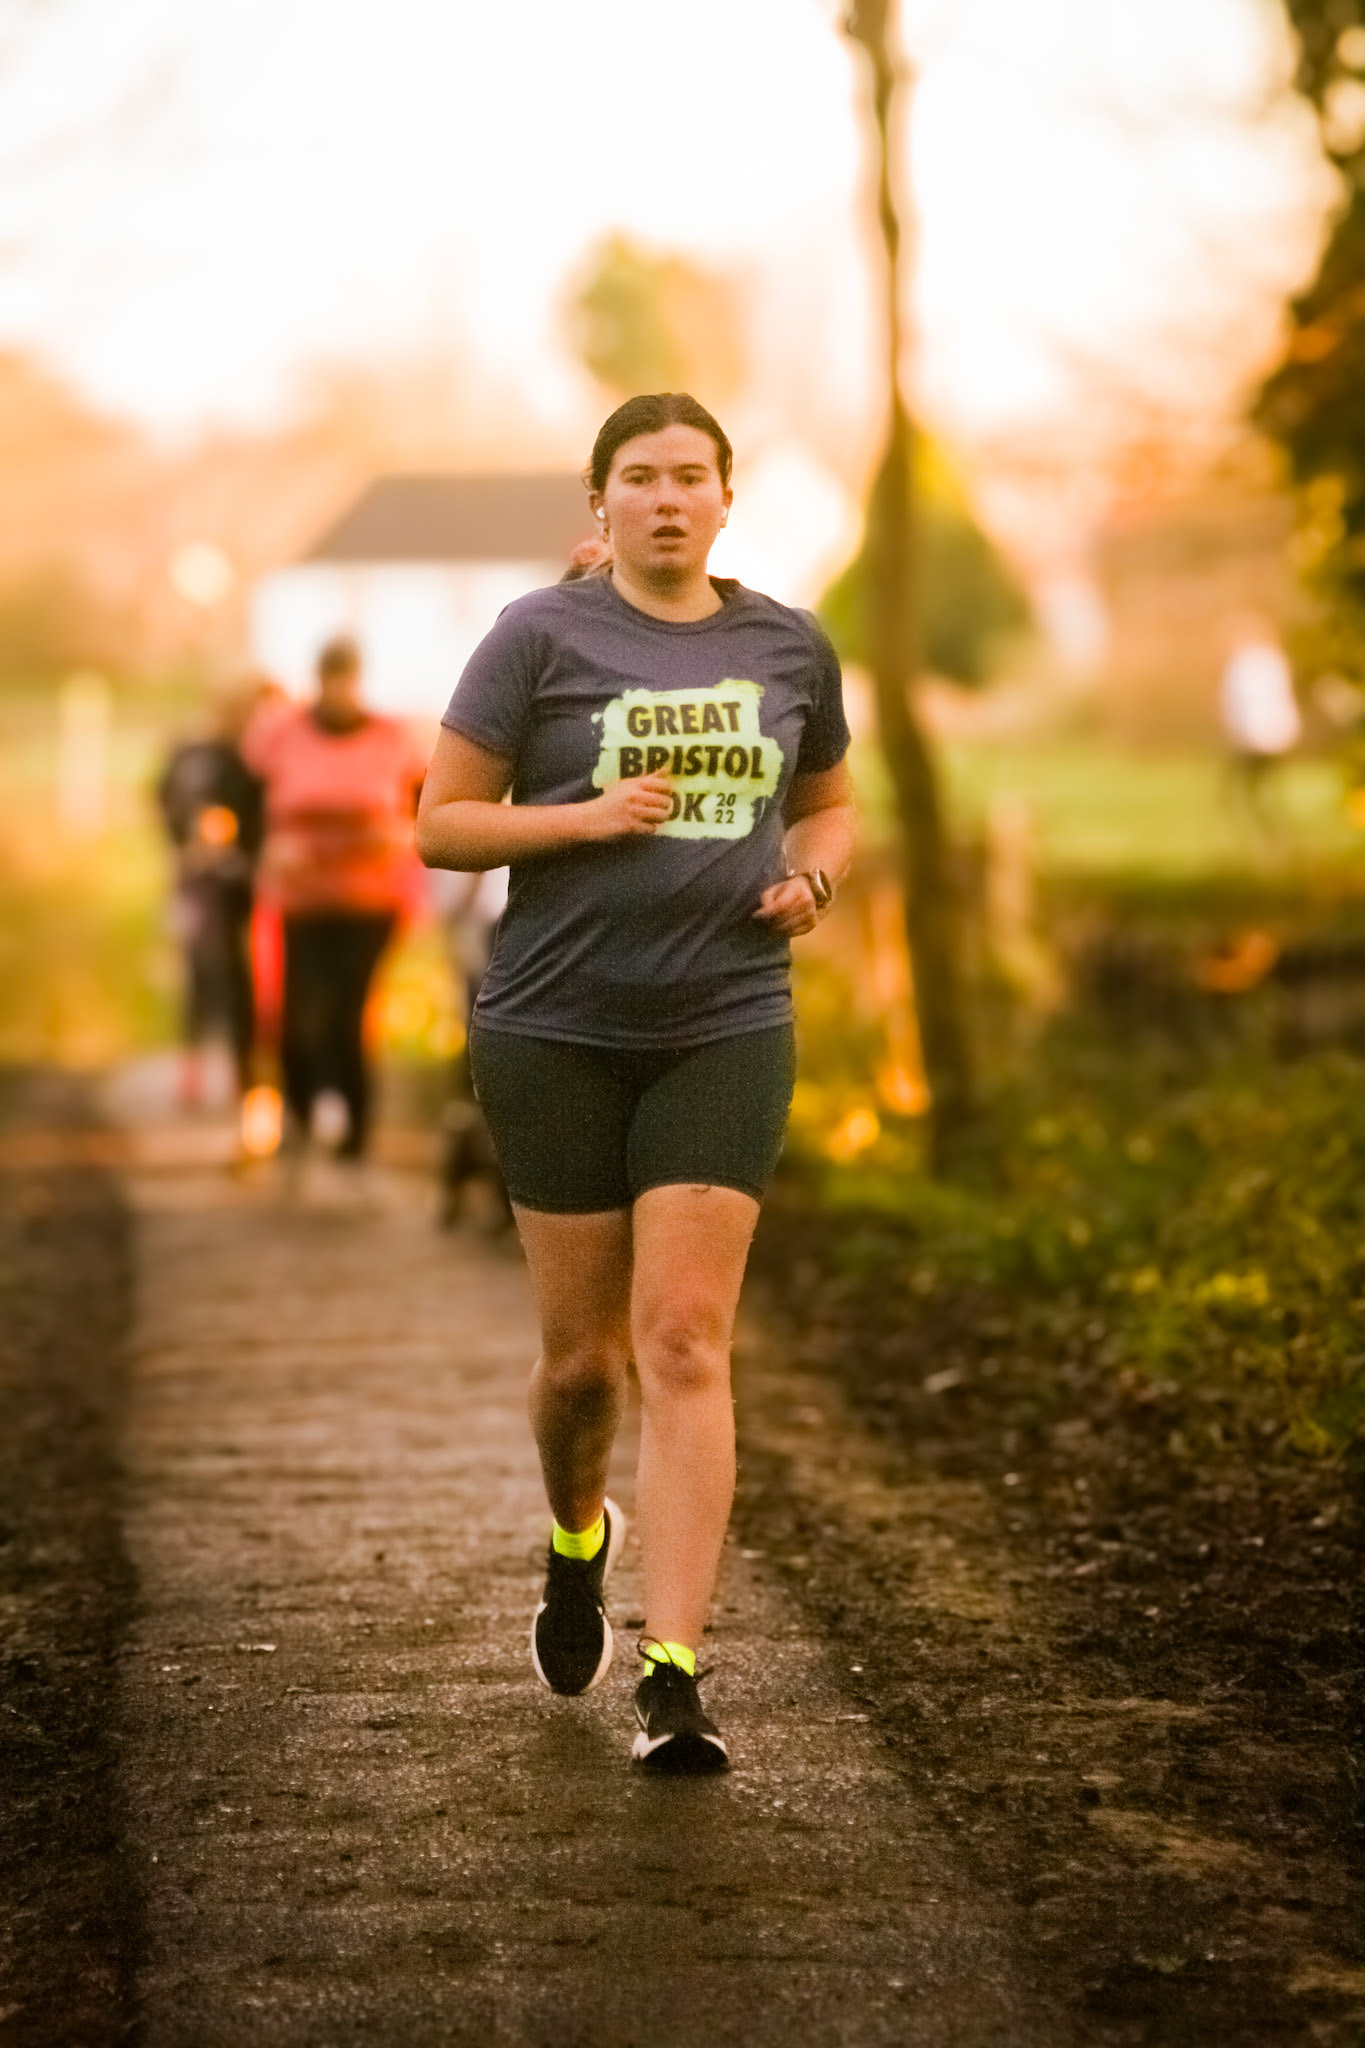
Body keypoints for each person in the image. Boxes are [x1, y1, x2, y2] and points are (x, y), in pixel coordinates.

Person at [416, 392, 856, 1771]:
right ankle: (572, 1540)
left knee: (681, 1339)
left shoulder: (787, 642)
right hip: (553, 1030)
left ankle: (674, 1672)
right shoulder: (537, 638)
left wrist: (814, 877)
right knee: (581, 1365)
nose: (668, 499)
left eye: (692, 478)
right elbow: (438, 824)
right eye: (641, 479)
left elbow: (829, 793)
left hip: (725, 1023)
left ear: (728, 499)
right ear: (599, 504)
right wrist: (587, 818)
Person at [242, 635, 426, 1174]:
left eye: (348, 678)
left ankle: (355, 1138)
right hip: (301, 899)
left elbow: (426, 808)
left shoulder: (393, 738)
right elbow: (247, 808)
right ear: (319, 679)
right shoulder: (282, 736)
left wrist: (400, 834)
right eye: (331, 678)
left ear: (357, 679)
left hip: (372, 899)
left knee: (350, 1014)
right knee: (300, 1016)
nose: (340, 689)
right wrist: (268, 847)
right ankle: (299, 1120)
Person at [157, 676, 272, 1111]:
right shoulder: (198, 756)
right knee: (204, 974)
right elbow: (171, 804)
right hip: (203, 882)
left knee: (244, 982)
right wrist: (190, 848)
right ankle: (197, 1073)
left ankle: (242, 1077)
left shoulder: (256, 760)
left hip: (248, 880)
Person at [1219, 613, 1302, 846]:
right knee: (1261, 790)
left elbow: (1240, 705)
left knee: (1245, 793)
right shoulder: (1274, 660)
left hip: (1255, 737)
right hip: (1279, 735)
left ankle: (1264, 838)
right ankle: (1273, 837)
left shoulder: (1244, 664)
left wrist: (1240, 737)